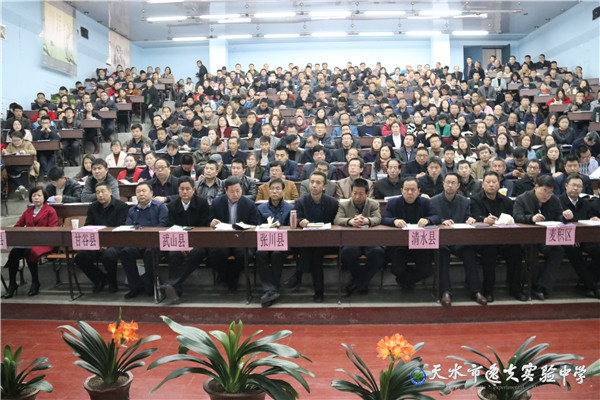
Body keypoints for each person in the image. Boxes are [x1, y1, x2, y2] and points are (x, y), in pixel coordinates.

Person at [431, 173, 487, 306]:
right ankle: (445, 292)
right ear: (443, 184)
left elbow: (468, 217)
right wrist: (441, 221)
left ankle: (476, 291)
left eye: (453, 183)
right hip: (441, 241)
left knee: (469, 252)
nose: (450, 185)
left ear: (458, 186)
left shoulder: (465, 201)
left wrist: (470, 219)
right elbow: (429, 219)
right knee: (442, 253)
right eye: (448, 182)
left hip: (459, 240)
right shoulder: (433, 201)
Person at [283, 171, 339, 303]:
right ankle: (319, 291)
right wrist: (300, 222)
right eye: (312, 182)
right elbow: (295, 219)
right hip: (306, 241)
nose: (314, 185)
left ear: (324, 186)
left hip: (327, 241)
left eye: (318, 183)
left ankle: (298, 275)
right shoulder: (301, 201)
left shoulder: (332, 202)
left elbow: (337, 222)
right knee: (314, 253)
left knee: (315, 250)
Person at [471, 171, 526, 301]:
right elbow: (474, 216)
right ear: (483, 184)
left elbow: (511, 218)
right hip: (484, 241)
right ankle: (488, 290)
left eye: (494, 182)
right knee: (489, 253)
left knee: (516, 251)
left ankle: (515, 289)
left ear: (499, 184)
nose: (491, 185)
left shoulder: (506, 201)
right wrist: (484, 219)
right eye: (488, 182)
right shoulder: (475, 199)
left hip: (504, 239)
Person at [381, 178, 440, 291]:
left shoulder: (425, 202)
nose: (409, 192)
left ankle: (406, 281)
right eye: (406, 189)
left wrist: (428, 220)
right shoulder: (393, 203)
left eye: (413, 190)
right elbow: (384, 219)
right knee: (397, 269)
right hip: (399, 245)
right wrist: (394, 221)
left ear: (418, 191)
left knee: (427, 270)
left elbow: (436, 217)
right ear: (401, 190)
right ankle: (408, 282)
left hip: (421, 244)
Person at [160, 176, 211, 304]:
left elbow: (204, 227)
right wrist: (181, 245)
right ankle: (176, 290)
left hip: (199, 243)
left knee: (196, 253)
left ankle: (171, 284)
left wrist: (192, 245)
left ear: (193, 189)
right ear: (178, 190)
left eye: (187, 189)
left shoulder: (202, 203)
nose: (185, 192)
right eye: (182, 189)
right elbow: (172, 227)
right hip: (178, 243)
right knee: (173, 254)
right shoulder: (172, 206)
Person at [513, 175, 564, 300]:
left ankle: (543, 285)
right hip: (527, 239)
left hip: (547, 238)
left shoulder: (554, 200)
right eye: (544, 191)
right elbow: (517, 217)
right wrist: (531, 218)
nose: (547, 195)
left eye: (550, 192)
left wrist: (565, 217)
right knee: (532, 252)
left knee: (558, 250)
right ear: (536, 187)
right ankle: (534, 286)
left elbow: (559, 217)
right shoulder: (522, 199)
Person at [1, 186, 58, 298]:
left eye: (39, 195)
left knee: (29, 251)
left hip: (45, 242)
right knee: (14, 252)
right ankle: (12, 284)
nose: (36, 198)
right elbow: (17, 226)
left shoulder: (50, 210)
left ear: (44, 197)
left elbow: (53, 229)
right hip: (28, 242)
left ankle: (35, 282)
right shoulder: (28, 211)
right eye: (34, 195)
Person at [74, 181, 128, 293]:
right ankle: (99, 279)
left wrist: (107, 244)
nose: (100, 195)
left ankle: (112, 282)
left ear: (110, 192)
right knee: (80, 257)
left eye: (103, 191)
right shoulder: (93, 207)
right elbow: (88, 226)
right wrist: (96, 244)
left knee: (109, 255)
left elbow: (121, 228)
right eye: (97, 192)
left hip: (115, 242)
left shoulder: (121, 206)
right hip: (96, 243)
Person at [334, 178, 385, 296]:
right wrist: (350, 221)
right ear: (351, 192)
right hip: (352, 239)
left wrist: (367, 220)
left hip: (370, 239)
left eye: (361, 194)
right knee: (347, 252)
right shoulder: (344, 204)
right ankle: (362, 283)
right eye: (355, 193)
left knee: (378, 253)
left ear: (367, 194)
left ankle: (358, 283)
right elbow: (337, 219)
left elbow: (378, 219)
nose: (357, 197)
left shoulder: (373, 204)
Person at [208, 177, 260, 291]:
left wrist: (245, 226)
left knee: (244, 254)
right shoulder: (216, 203)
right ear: (225, 191)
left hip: (242, 240)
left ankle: (229, 278)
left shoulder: (249, 204)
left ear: (242, 189)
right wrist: (211, 223)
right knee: (216, 253)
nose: (235, 194)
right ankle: (228, 278)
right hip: (223, 240)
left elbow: (256, 224)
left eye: (238, 190)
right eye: (232, 191)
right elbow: (208, 221)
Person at [120, 181, 169, 299]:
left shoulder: (160, 207)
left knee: (149, 253)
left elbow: (162, 225)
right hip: (137, 243)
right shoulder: (132, 210)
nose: (141, 194)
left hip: (155, 243)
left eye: (144, 191)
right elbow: (128, 227)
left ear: (151, 193)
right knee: (125, 252)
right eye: (138, 192)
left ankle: (150, 286)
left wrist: (146, 240)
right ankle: (135, 286)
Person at [558, 174, 600, 298]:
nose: (576, 188)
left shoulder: (585, 203)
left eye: (579, 186)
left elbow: (587, 219)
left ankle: (584, 285)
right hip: (566, 239)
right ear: (566, 186)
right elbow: (557, 221)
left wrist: (593, 218)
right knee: (574, 250)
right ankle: (592, 286)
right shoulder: (558, 201)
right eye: (573, 185)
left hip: (584, 238)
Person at [255, 178, 294, 307]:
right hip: (266, 242)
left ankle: (270, 290)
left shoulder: (291, 208)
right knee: (260, 254)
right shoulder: (260, 208)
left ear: (283, 191)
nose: (274, 191)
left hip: (283, 244)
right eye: (272, 188)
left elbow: (291, 229)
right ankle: (272, 290)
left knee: (277, 254)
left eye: (278, 188)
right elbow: (257, 227)